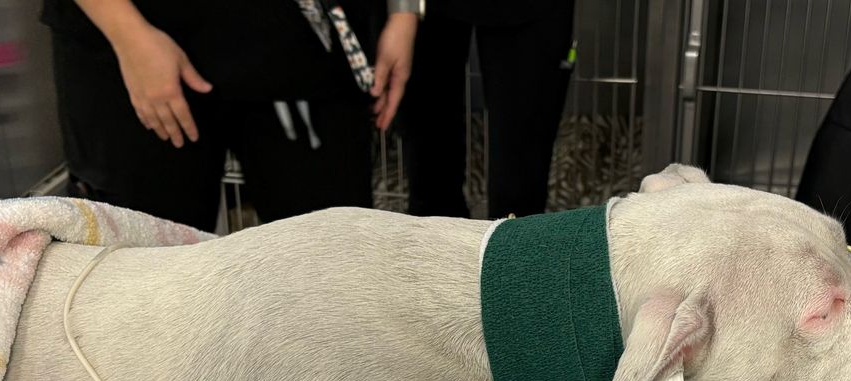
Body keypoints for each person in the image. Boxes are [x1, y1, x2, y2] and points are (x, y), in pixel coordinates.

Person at [40, 0, 421, 231]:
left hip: (308, 44)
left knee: (329, 274)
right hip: (133, 45)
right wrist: (129, 35)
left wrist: (404, 12)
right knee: (144, 280)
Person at [396, 0, 575, 219]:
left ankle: (512, 238)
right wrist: (403, 9)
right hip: (424, 10)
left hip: (532, 12)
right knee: (429, 180)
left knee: (520, 193)